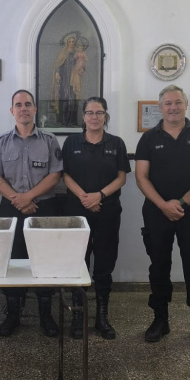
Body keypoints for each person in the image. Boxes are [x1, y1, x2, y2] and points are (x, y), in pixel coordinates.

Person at [135, 84, 190, 349]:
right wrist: (163, 205)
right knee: (159, 266)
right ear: (160, 108)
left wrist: (181, 203)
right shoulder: (148, 139)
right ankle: (160, 320)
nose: (173, 107)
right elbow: (141, 177)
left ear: (186, 105)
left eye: (178, 102)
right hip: (156, 212)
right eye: (168, 103)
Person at [0, 89, 62, 337]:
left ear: (35, 109)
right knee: (12, 260)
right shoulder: (1, 142)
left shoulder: (49, 141)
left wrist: (28, 197)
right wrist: (18, 199)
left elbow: (55, 175)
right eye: (18, 105)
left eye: (28, 104)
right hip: (11, 208)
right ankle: (12, 314)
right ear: (12, 111)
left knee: (44, 260)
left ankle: (46, 314)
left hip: (43, 208)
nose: (23, 109)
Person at [61, 96, 130, 340]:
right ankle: (77, 315)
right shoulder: (71, 142)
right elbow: (65, 175)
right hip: (77, 211)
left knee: (104, 264)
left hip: (107, 211)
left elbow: (122, 177)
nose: (94, 117)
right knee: (78, 262)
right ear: (83, 117)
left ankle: (102, 316)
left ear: (105, 116)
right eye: (90, 113)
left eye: (99, 112)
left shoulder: (116, 143)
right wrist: (84, 197)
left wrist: (99, 196)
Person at [52, 32, 81, 127]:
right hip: (64, 79)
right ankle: (63, 120)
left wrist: (81, 69)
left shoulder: (77, 53)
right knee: (64, 98)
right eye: (70, 41)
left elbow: (81, 65)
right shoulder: (63, 53)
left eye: (73, 41)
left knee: (72, 99)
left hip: (74, 79)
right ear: (67, 43)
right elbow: (58, 64)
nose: (71, 43)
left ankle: (72, 121)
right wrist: (57, 72)